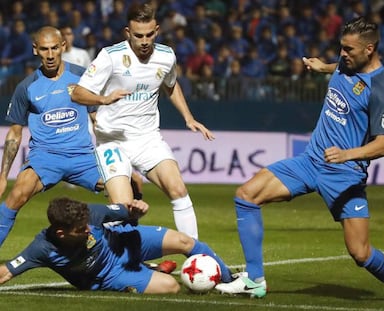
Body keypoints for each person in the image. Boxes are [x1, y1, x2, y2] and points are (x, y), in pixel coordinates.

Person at [215, 17, 384, 303]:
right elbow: (342, 67)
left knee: (360, 253)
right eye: (341, 48)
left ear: (369, 49)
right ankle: (254, 281)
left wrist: (347, 154)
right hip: (310, 161)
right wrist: (323, 67)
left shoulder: (382, 87)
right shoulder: (348, 61)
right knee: (246, 195)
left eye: (349, 49)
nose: (343, 54)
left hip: (345, 174)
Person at [71, 2, 215, 240]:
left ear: (157, 30)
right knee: (123, 208)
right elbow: (77, 93)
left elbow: (170, 85)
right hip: (113, 141)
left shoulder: (166, 56)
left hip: (148, 138)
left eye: (149, 34)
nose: (145, 41)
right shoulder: (111, 56)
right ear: (128, 33)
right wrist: (103, 99)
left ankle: (196, 256)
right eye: (138, 36)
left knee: (178, 190)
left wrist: (188, 117)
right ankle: (118, 261)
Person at [0, 26, 103, 249]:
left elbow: (98, 119)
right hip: (45, 158)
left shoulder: (83, 77)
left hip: (82, 156)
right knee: (16, 195)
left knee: (123, 188)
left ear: (63, 47)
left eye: (54, 48)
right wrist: (2, 176)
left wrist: (116, 158)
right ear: (35, 50)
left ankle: (128, 256)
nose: (49, 55)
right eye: (44, 49)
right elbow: (15, 132)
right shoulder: (26, 87)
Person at [0, 197, 233, 293]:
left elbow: (128, 212)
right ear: (61, 233)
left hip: (123, 241)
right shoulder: (41, 249)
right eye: (81, 230)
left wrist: (138, 209)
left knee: (184, 241)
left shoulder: (91, 214)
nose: (88, 229)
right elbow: (6, 272)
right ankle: (150, 270)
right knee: (171, 286)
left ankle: (229, 281)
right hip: (109, 275)